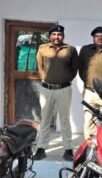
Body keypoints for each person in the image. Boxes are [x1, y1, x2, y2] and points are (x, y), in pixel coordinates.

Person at [33, 23, 78, 161]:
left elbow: (74, 69)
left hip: (64, 89)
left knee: (65, 120)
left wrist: (65, 79)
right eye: (54, 34)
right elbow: (40, 66)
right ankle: (41, 148)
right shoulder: (43, 49)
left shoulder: (70, 50)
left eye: (59, 34)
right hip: (46, 90)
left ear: (63, 36)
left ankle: (68, 149)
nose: (56, 37)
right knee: (45, 119)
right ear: (50, 36)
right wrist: (45, 78)